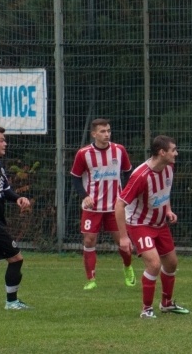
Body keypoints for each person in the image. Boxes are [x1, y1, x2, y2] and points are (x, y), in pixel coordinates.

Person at [115, 135, 190, 319]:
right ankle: (146, 309)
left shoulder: (169, 167)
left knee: (171, 263)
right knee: (154, 264)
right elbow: (119, 204)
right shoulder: (141, 176)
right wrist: (124, 238)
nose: (176, 153)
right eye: (173, 150)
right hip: (140, 224)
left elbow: (164, 191)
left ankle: (166, 304)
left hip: (160, 223)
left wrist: (169, 210)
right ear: (162, 152)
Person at [70, 118, 135, 290]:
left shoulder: (119, 150)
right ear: (94, 134)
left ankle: (128, 268)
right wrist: (85, 196)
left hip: (115, 207)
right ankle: (91, 279)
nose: (106, 134)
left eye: (108, 131)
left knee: (123, 242)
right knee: (89, 240)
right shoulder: (83, 153)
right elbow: (75, 177)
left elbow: (129, 173)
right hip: (93, 207)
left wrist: (126, 195)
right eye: (102, 131)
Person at [0, 124, 32, 310]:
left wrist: (18, 198)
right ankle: (12, 302)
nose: (5, 143)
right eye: (1, 140)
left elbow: (4, 189)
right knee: (16, 258)